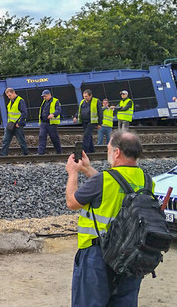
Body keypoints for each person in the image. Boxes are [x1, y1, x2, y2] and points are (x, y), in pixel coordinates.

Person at [65, 130, 151, 306]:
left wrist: (73, 173)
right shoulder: (148, 181)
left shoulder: (102, 180)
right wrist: (87, 168)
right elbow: (118, 184)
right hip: (132, 255)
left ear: (117, 152)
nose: (108, 153)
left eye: (108, 149)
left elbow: (72, 202)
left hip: (98, 255)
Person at [0, 87, 29, 156]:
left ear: (14, 93)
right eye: (8, 96)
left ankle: (26, 154)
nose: (9, 97)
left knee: (21, 141)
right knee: (5, 140)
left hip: (17, 125)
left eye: (10, 95)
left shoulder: (20, 100)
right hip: (10, 124)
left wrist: (19, 123)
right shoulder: (11, 101)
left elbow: (24, 113)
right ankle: (3, 154)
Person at [73, 89, 102, 154]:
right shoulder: (82, 102)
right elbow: (79, 110)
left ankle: (84, 151)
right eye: (84, 96)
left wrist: (100, 123)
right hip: (84, 121)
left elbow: (100, 112)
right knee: (89, 136)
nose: (85, 97)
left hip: (92, 121)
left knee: (86, 136)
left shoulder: (96, 101)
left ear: (90, 95)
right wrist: (75, 117)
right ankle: (91, 150)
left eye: (86, 96)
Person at [38, 89, 62, 154]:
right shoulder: (44, 102)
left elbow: (58, 110)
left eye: (45, 96)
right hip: (43, 122)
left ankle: (59, 151)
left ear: (49, 95)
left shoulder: (55, 101)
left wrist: (53, 114)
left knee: (54, 138)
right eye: (43, 96)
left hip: (51, 123)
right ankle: (41, 153)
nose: (44, 98)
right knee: (41, 136)